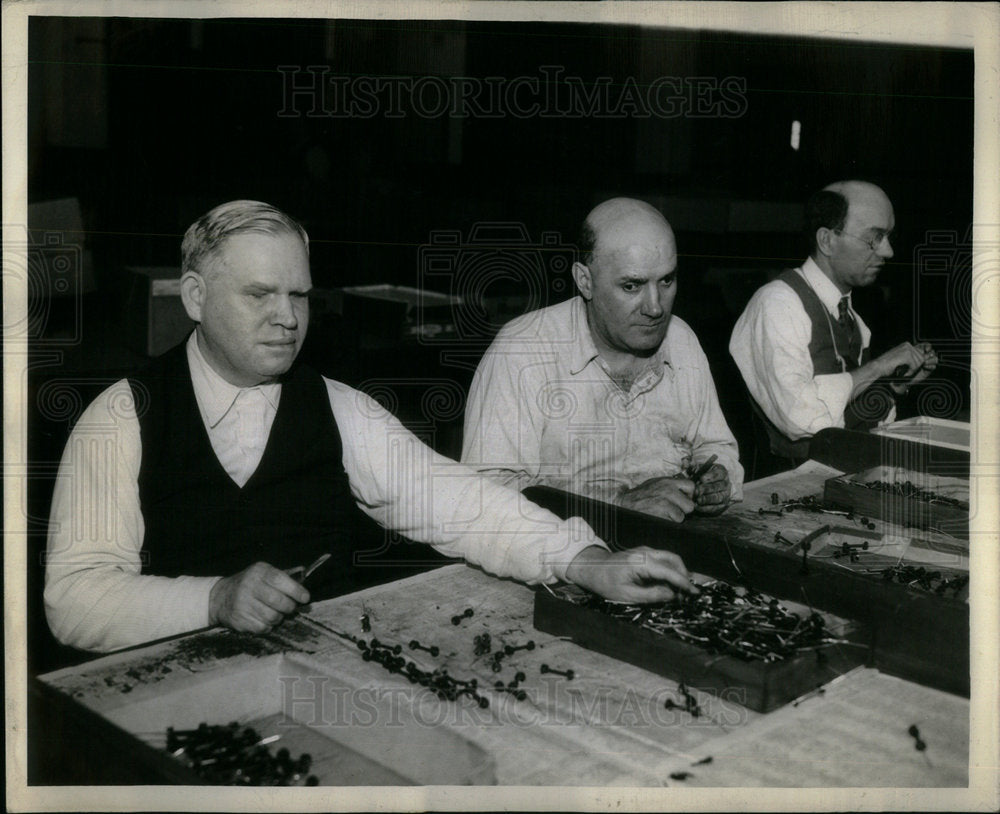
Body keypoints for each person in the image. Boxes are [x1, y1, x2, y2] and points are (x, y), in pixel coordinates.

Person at [44, 200, 695, 653]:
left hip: (311, 673)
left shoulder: (336, 405)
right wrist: (212, 599)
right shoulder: (122, 416)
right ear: (194, 297)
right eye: (259, 295)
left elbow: (459, 503)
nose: (289, 318)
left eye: (299, 295)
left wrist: (584, 561)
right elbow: (74, 602)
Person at [462, 197, 743, 523]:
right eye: (631, 286)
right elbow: (484, 498)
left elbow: (718, 445)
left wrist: (719, 479)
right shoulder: (524, 351)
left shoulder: (681, 341)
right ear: (585, 280)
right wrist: (616, 504)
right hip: (559, 557)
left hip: (671, 544)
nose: (655, 307)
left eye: (666, 280)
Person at [729, 180, 938, 459]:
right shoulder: (778, 305)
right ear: (827, 240)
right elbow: (800, 418)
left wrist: (895, 384)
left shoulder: (850, 316)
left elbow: (848, 410)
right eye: (874, 238)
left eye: (888, 237)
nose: (888, 251)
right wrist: (879, 367)